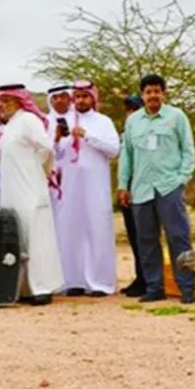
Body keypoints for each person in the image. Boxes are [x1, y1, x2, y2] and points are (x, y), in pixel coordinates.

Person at [0, 84, 63, 305]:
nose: (2, 107)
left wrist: (37, 172)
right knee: (18, 238)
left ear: (18, 102)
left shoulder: (29, 120)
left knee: (36, 238)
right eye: (1, 102)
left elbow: (45, 148)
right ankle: (23, 289)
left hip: (31, 190)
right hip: (12, 192)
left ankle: (42, 289)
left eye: (6, 102)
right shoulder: (10, 126)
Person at [117, 74, 195, 303]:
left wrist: (182, 177)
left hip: (169, 186)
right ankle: (154, 287)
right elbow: (127, 155)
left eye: (156, 91)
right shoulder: (133, 121)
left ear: (164, 93)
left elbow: (188, 150)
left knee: (178, 237)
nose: (152, 95)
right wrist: (123, 184)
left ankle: (186, 287)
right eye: (148, 92)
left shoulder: (176, 117)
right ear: (142, 95)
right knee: (146, 239)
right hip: (141, 189)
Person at [53, 79, 120, 296]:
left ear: (92, 98)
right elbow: (57, 155)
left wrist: (86, 135)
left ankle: (100, 282)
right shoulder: (64, 120)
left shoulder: (103, 121)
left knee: (97, 228)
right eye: (78, 96)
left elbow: (113, 149)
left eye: (85, 96)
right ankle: (74, 280)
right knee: (70, 230)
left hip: (95, 185)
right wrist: (56, 140)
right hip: (70, 185)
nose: (81, 100)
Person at [119, 94, 144, 296]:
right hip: (128, 188)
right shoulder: (126, 133)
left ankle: (149, 278)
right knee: (134, 236)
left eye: (135, 109)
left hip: (145, 188)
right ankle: (140, 276)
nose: (131, 113)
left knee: (146, 236)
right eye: (129, 110)